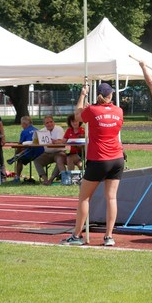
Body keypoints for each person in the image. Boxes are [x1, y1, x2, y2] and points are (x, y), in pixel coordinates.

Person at [61, 82, 124, 246]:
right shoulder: (119, 110)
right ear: (110, 95)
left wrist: (82, 94)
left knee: (84, 198)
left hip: (99, 159)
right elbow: (103, 116)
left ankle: (76, 235)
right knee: (111, 198)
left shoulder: (92, 110)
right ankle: (109, 236)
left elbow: (77, 115)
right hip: (117, 158)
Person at [8, 116, 44, 182]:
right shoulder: (38, 130)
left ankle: (17, 178)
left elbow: (20, 145)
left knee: (19, 159)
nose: (21, 125)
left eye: (21, 124)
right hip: (41, 152)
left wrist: (16, 154)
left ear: (25, 124)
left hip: (31, 152)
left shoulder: (24, 132)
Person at [35, 115, 66, 185]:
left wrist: (54, 141)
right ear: (44, 124)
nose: (49, 124)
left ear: (54, 122)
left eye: (51, 122)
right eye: (47, 123)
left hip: (59, 152)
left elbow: (60, 141)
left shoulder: (59, 129)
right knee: (36, 161)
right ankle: (45, 179)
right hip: (47, 153)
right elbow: (37, 142)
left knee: (60, 160)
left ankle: (51, 179)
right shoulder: (41, 131)